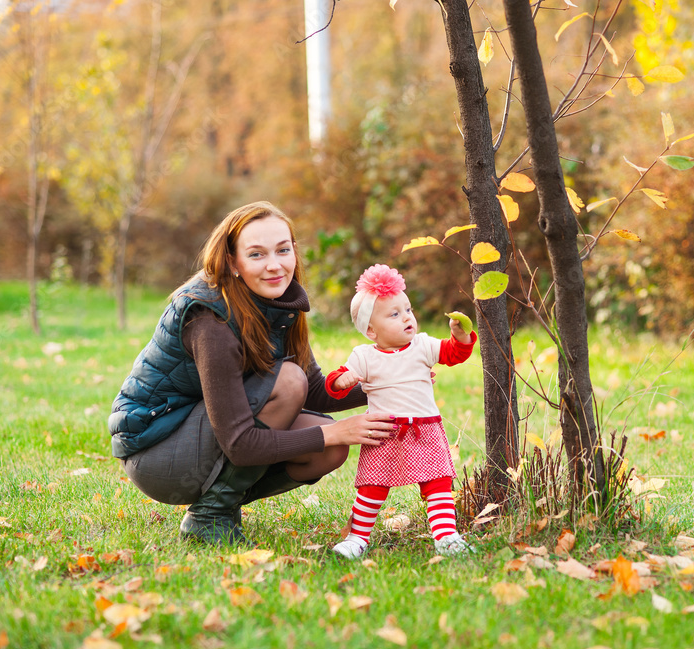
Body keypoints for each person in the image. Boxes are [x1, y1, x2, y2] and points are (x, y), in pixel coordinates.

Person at [108, 201, 397, 546]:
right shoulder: (210, 318)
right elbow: (241, 444)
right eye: (257, 255)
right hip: (156, 450)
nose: (275, 265)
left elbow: (316, 389)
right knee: (291, 387)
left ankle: (218, 504)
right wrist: (337, 432)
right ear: (233, 262)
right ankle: (210, 514)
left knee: (328, 449)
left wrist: (392, 376)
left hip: (204, 432)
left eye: (283, 250)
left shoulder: (281, 302)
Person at [324, 264, 477, 559]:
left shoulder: (422, 345)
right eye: (394, 314)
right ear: (371, 330)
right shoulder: (364, 356)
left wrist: (460, 338)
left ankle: (446, 536)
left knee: (438, 482)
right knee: (372, 485)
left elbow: (452, 354)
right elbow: (337, 384)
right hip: (385, 431)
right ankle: (357, 539)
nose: (407, 317)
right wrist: (341, 380)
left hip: (425, 430)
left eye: (407, 309)